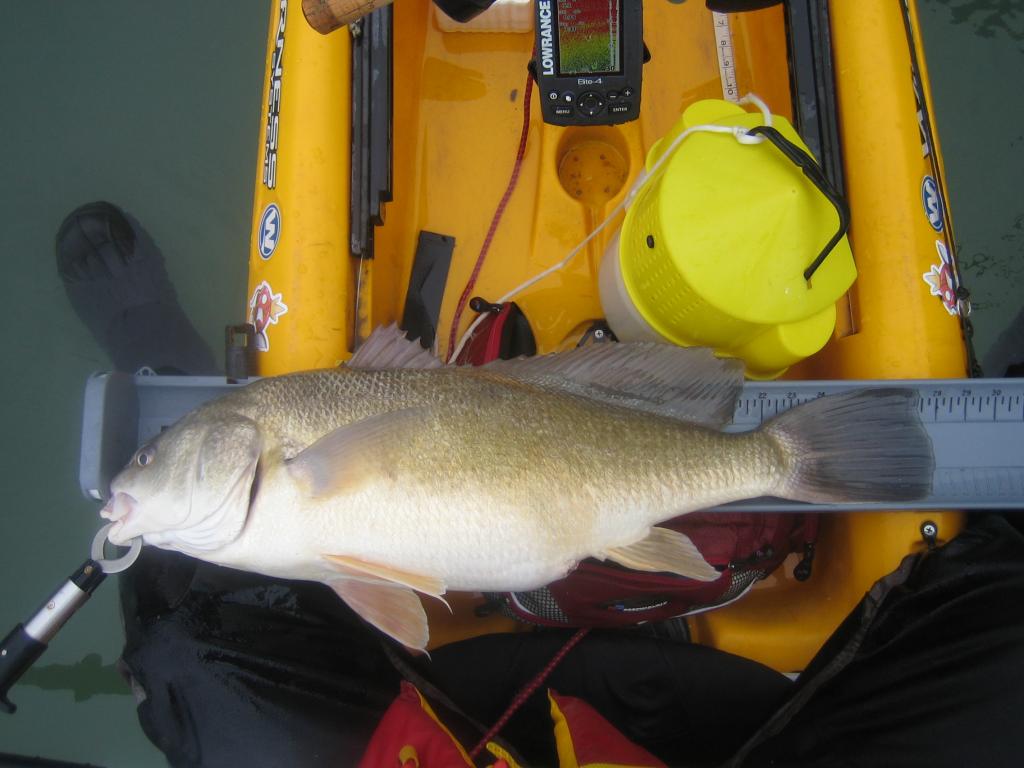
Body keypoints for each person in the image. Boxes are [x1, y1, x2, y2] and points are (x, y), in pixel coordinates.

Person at [58, 202, 1024, 766]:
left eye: (155, 455)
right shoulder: (277, 459)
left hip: (448, 710)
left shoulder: (278, 453)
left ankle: (158, 357)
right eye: (150, 456)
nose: (133, 480)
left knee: (184, 652)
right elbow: (368, 575)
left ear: (233, 444)